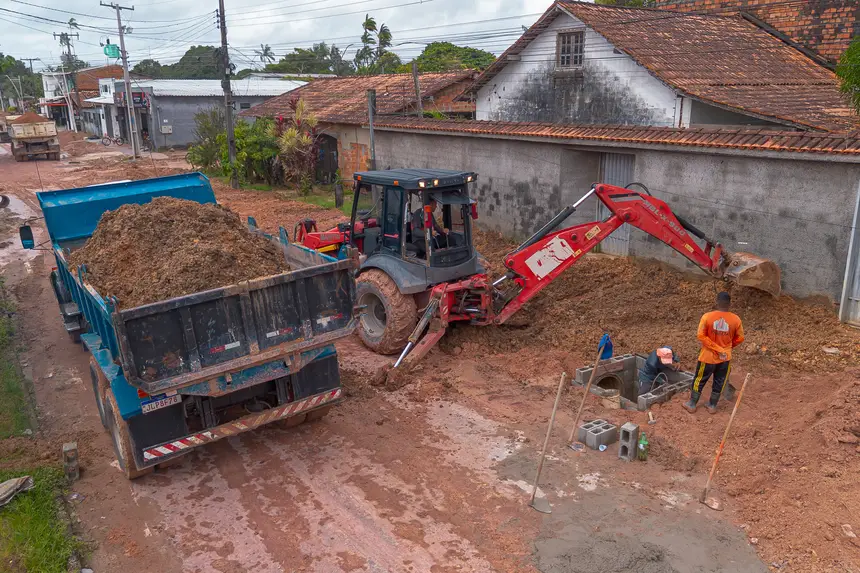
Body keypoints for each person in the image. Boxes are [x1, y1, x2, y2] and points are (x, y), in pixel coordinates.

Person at [683, 291, 744, 414]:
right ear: (729, 304)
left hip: (707, 357)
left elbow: (701, 336)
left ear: (717, 302)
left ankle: (692, 404)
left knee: (699, 379)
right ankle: (712, 405)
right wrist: (727, 347)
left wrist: (714, 347)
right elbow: (740, 338)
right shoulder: (736, 319)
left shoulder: (707, 317)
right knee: (719, 380)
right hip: (725, 358)